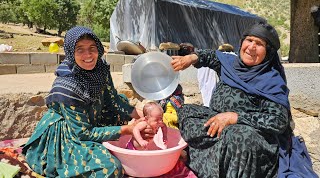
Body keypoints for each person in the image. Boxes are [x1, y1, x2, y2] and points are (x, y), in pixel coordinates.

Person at [22, 26, 154, 177]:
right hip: (70, 133)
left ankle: (105, 143)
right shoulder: (66, 87)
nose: (88, 54)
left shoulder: (100, 69)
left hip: (91, 117)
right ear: (71, 52)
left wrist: (145, 117)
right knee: (111, 168)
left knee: (122, 102)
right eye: (80, 49)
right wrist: (127, 130)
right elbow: (84, 133)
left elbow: (115, 101)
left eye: (92, 47)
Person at [171, 22, 291, 177]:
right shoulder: (230, 64)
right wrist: (192, 58)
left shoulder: (271, 81)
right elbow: (211, 56)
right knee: (187, 112)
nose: (251, 47)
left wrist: (235, 117)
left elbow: (278, 121)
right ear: (242, 42)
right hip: (217, 119)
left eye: (259, 44)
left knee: (237, 137)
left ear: (268, 52)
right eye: (249, 40)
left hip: (249, 132)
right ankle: (202, 163)